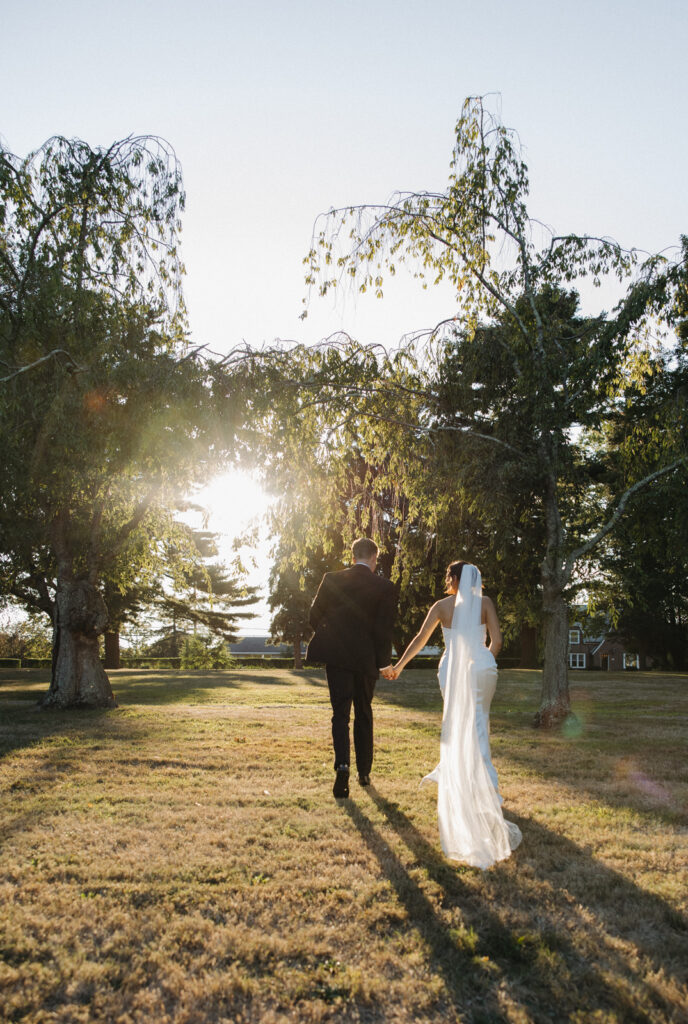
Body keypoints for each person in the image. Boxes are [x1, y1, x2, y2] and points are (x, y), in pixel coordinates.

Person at [389, 561, 522, 868]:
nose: (445, 579)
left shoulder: (441, 606)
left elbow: (420, 640)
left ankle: (476, 791)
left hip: (453, 670)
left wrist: (399, 666)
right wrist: (482, 662)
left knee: (461, 728)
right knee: (479, 726)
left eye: (448, 575)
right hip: (483, 669)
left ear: (456, 579)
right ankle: (488, 792)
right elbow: (497, 641)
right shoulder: (486, 603)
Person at [307, 538, 397, 799]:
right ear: (374, 557)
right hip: (366, 660)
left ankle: (343, 766)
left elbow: (314, 615)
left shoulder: (331, 579)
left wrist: (332, 639)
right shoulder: (385, 587)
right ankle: (364, 772)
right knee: (364, 712)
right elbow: (384, 629)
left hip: (337, 659)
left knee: (340, 714)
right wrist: (383, 663)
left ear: (353, 554)